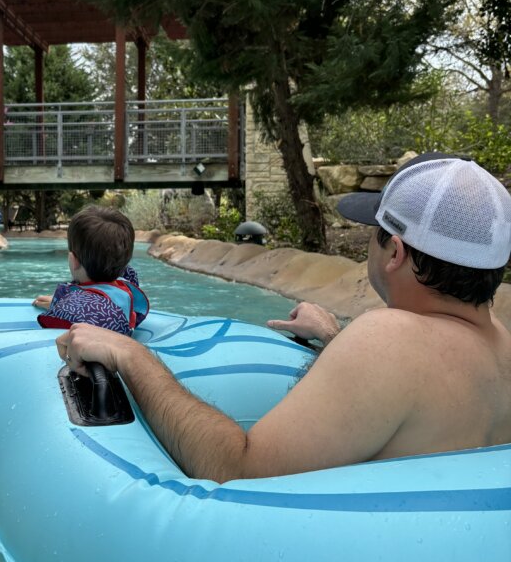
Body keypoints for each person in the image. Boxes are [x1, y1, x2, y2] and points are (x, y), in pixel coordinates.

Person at [57, 154, 511, 481]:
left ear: (396, 251)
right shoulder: (501, 346)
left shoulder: (389, 341)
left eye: (375, 231)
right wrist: (336, 340)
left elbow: (235, 469)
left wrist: (131, 355)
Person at [33, 205, 149, 336]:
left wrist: (64, 308)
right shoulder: (126, 285)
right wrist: (61, 302)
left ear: (73, 259)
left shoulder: (82, 310)